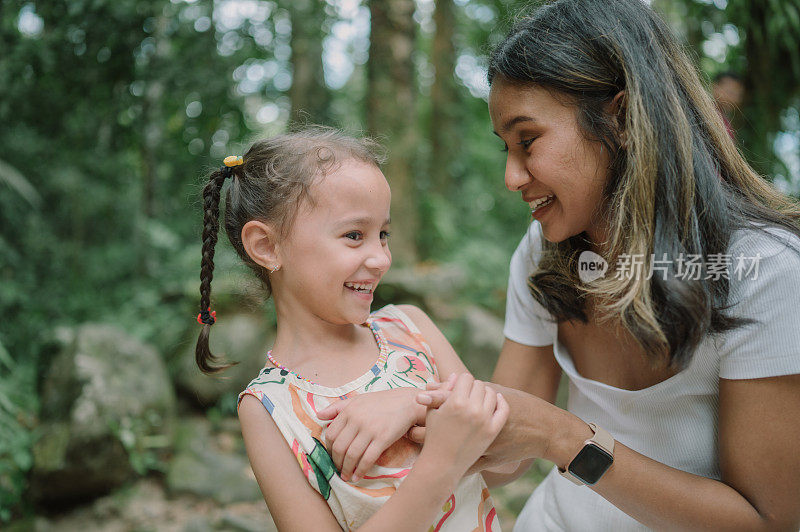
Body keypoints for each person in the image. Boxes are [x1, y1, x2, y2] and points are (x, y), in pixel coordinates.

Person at [319, 0, 800, 529]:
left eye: (528, 141)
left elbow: (767, 522)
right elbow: (507, 458)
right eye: (506, 148)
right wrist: (410, 407)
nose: (512, 177)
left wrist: (564, 438)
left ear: (619, 119)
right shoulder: (542, 254)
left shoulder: (762, 270)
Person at [193, 128, 512, 531]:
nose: (380, 258)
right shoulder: (267, 409)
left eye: (383, 234)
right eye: (354, 235)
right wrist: (442, 463)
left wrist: (416, 401)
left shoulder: (411, 327)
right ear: (267, 246)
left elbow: (509, 461)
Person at [711, 72, 745, 139]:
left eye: (738, 95)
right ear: (715, 87)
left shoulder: (725, 121)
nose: (735, 100)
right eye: (730, 93)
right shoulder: (705, 114)